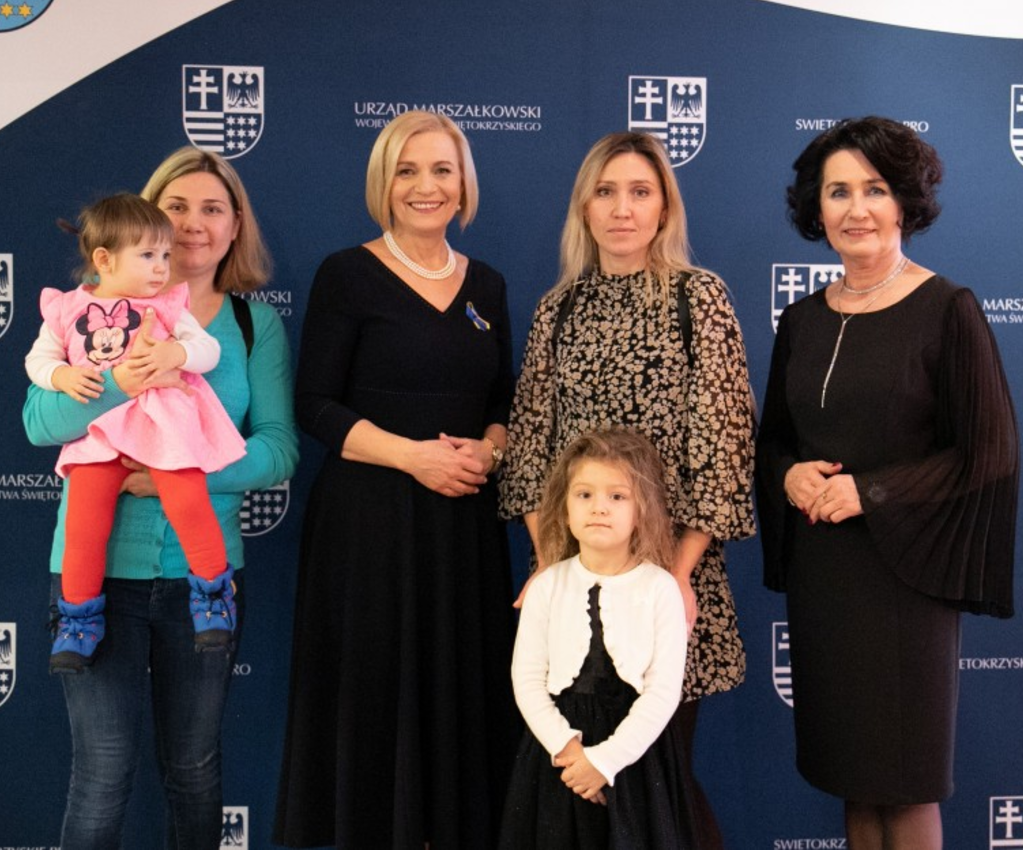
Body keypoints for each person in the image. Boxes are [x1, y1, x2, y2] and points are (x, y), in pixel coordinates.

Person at [755, 117, 1019, 850]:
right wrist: (788, 474)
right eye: (838, 191)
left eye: (874, 189)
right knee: (855, 780)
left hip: (909, 578)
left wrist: (869, 492)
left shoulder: (947, 309)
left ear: (905, 201)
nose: (856, 209)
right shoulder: (800, 320)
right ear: (816, 209)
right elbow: (772, 440)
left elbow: (990, 450)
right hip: (825, 581)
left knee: (905, 787)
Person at [24, 147, 299, 849]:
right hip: (95, 578)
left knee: (194, 769)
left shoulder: (251, 325)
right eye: (177, 207)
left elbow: (278, 450)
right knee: (101, 772)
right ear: (144, 221)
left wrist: (183, 468)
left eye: (213, 209)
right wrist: (121, 379)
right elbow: (40, 423)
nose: (192, 225)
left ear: (235, 226)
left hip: (201, 580)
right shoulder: (85, 314)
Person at [500, 131, 755, 847]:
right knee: (573, 792)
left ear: (664, 206)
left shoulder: (697, 299)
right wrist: (550, 566)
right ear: (584, 206)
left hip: (669, 578)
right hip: (573, 581)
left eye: (640, 192)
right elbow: (531, 450)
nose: (622, 209)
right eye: (606, 192)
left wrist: (675, 574)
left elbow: (724, 448)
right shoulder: (559, 309)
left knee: (658, 780)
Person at [274, 111, 518, 849]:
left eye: (442, 169)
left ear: (463, 185)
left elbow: (505, 401)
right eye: (407, 170)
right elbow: (315, 404)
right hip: (369, 530)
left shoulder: (488, 284)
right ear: (383, 183)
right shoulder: (345, 274)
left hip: (464, 529)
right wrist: (414, 457)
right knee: (375, 705)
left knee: (461, 706)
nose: (425, 186)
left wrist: (490, 453)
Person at [27, 193, 245, 672]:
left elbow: (206, 349)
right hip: (99, 436)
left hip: (162, 429)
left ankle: (212, 593)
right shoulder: (67, 309)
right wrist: (61, 376)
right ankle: (78, 619)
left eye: (165, 255)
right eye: (148, 255)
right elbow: (38, 360)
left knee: (189, 502)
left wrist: (176, 354)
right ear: (104, 260)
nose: (162, 267)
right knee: (84, 524)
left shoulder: (167, 306)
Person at [500, 427, 698, 850]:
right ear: (564, 507)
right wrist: (569, 751)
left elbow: (663, 692)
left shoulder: (660, 588)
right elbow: (527, 680)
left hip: (635, 759)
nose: (599, 508)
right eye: (584, 494)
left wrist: (604, 761)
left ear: (642, 510)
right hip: (558, 757)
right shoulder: (547, 586)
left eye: (617, 496)